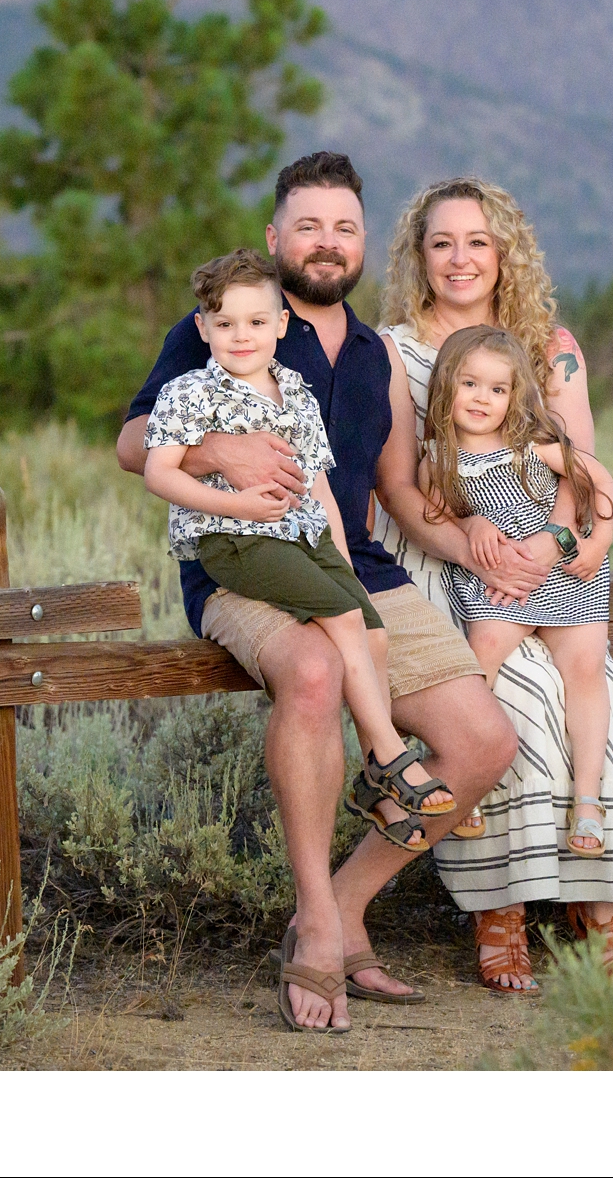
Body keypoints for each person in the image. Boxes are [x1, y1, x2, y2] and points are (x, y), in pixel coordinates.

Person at [115, 153, 517, 1034]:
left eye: (344, 228)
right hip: (240, 561)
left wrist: (489, 550)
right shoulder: (238, 315)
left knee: (483, 740)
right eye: (308, 225)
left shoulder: (373, 353)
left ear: (364, 242)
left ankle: (336, 904)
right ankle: (319, 934)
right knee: (310, 674)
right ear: (275, 236)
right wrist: (220, 450)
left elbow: (399, 488)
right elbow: (133, 439)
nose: (327, 243)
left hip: (354, 561)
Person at [371, 176, 613, 991]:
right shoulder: (392, 349)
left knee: (594, 681)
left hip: (547, 555)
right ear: (419, 255)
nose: (461, 258)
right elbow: (402, 487)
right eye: (442, 242)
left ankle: (597, 901)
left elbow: (577, 472)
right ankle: (499, 911)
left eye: (478, 241)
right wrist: (472, 549)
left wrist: (552, 542)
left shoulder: (547, 344)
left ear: (505, 251)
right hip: (439, 556)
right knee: (514, 695)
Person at [142, 248, 456, 859]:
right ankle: (391, 756)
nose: (241, 336)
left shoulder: (296, 394)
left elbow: (319, 491)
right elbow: (159, 472)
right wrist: (236, 506)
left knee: (372, 632)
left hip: (304, 539)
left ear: (281, 325)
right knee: (341, 621)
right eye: (224, 323)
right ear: (201, 327)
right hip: (234, 542)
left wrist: (344, 566)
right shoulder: (189, 393)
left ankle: (373, 784)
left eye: (257, 322)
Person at [421, 325, 613, 861]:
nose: (482, 399)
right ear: (446, 386)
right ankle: (468, 786)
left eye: (497, 389)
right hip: (501, 577)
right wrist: (471, 527)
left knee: (586, 668)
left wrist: (598, 541)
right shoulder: (437, 459)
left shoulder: (529, 445)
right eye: (469, 384)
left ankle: (588, 799)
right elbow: (436, 517)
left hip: (565, 572)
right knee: (478, 659)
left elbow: (596, 478)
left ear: (514, 397)